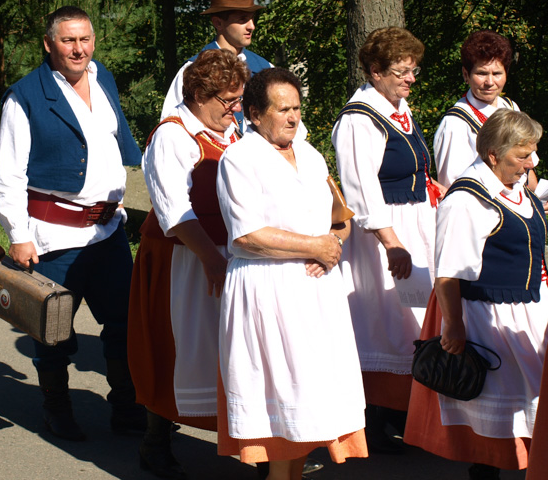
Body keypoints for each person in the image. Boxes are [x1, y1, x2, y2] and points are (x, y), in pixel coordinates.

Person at [0, 5, 145, 442]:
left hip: (108, 231)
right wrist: (19, 237)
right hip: (55, 237)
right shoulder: (24, 97)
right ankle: (56, 409)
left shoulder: (104, 79)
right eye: (68, 40)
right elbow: (9, 177)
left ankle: (126, 405)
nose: (78, 50)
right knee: (55, 329)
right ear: (49, 44)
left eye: (84, 39)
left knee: (124, 323)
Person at [216, 67, 367, 479]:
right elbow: (246, 236)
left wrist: (334, 240)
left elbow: (339, 215)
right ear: (254, 113)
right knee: (283, 399)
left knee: (313, 401)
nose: (293, 117)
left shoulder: (312, 154)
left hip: (318, 294)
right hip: (268, 290)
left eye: (297, 108)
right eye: (282, 109)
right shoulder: (240, 158)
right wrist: (313, 246)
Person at [404, 109, 548, 479]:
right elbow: (449, 273)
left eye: (532, 153)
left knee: (528, 410)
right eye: (522, 155)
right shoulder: (468, 199)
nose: (531, 163)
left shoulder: (517, 189)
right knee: (497, 419)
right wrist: (453, 326)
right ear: (493, 155)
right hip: (490, 318)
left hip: (527, 310)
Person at [128, 50, 250, 478]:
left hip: (225, 256)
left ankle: (250, 443)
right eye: (228, 102)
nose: (235, 111)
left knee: (232, 348)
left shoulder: (231, 132)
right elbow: (174, 213)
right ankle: (155, 441)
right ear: (199, 94)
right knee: (176, 347)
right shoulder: (173, 136)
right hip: (182, 258)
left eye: (238, 101)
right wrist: (211, 259)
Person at [331, 27, 445, 452]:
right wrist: (392, 243)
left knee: (414, 318)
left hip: (415, 220)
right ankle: (374, 415)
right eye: (401, 71)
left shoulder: (399, 108)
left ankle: (403, 412)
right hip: (383, 233)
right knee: (387, 321)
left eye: (413, 70)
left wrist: (432, 187)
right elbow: (360, 188)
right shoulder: (360, 119)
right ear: (375, 72)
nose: (411, 79)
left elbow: (410, 166)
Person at [434, 29, 548, 199]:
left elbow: (527, 167)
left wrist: (535, 199)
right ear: (466, 75)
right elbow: (453, 188)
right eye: (481, 73)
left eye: (497, 74)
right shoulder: (456, 123)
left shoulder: (510, 107)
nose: (490, 82)